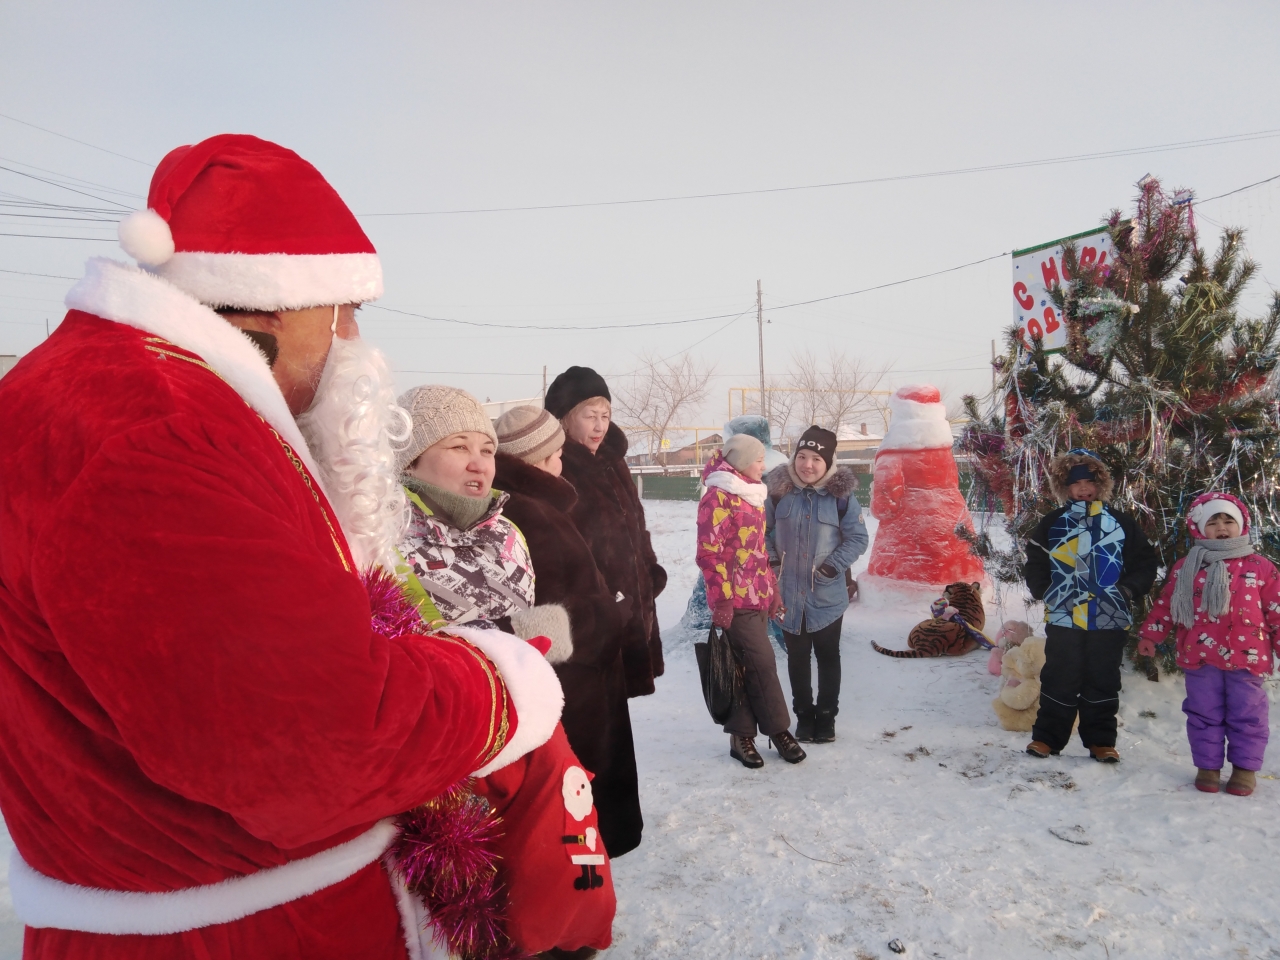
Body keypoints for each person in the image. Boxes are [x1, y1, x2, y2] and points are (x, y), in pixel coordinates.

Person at [0, 135, 564, 960]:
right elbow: (316, 747)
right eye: (348, 310)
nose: (353, 342)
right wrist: (501, 683)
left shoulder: (108, 391)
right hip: (239, 933)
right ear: (268, 302)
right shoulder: (157, 432)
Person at [493, 405, 644, 859]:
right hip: (577, 690)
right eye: (557, 454)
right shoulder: (535, 513)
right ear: (541, 460)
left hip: (568, 685)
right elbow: (551, 617)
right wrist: (609, 614)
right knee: (578, 814)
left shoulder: (528, 505)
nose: (563, 464)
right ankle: (579, 905)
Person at [543, 366, 665, 854]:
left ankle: (618, 826)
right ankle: (592, 831)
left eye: (605, 413)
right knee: (590, 726)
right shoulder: (557, 465)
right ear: (563, 418)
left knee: (617, 723)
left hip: (628, 610)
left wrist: (649, 571)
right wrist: (600, 600)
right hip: (589, 618)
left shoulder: (614, 462)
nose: (599, 423)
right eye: (588, 414)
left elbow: (636, 526)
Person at [394, 385, 570, 650]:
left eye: (487, 451)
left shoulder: (508, 533)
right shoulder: (377, 541)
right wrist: (513, 635)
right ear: (410, 460)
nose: (479, 464)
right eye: (459, 446)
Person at [1137, 493, 1280, 796]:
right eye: (1213, 522)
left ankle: (1244, 769)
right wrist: (1151, 635)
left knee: (1248, 713)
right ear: (1201, 529)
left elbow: (1276, 610)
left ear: (1241, 525)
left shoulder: (1261, 567)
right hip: (1200, 655)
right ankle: (1208, 767)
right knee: (1204, 712)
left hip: (1247, 657)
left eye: (1228, 520)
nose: (1221, 527)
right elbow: (1167, 605)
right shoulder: (1188, 566)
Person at [1023, 448, 1158, 762]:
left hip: (1108, 617)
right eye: (1075, 483)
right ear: (1064, 488)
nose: (1083, 488)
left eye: (1089, 481)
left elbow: (1145, 564)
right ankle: (1047, 738)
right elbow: (1035, 563)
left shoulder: (1121, 523)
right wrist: (1047, 591)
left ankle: (1100, 741)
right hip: (1064, 615)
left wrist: (1126, 590)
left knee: (1103, 678)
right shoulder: (1053, 524)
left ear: (1101, 485)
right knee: (1059, 675)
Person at [699, 434, 805, 767]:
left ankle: (741, 735)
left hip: (757, 595)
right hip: (735, 598)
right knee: (762, 662)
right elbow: (709, 554)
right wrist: (722, 601)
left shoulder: (751, 495)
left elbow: (757, 552)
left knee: (742, 667)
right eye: (759, 459)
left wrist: (772, 591)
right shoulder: (717, 497)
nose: (764, 464)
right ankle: (778, 730)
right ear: (743, 461)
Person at [765, 425, 869, 744]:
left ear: (828, 463)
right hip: (788, 595)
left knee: (827, 656)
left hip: (827, 596)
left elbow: (857, 538)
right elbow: (763, 533)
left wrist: (830, 566)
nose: (807, 465)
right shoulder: (778, 490)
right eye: (802, 456)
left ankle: (826, 717)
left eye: (816, 459)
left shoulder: (841, 496)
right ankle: (804, 717)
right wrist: (773, 563)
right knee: (796, 658)